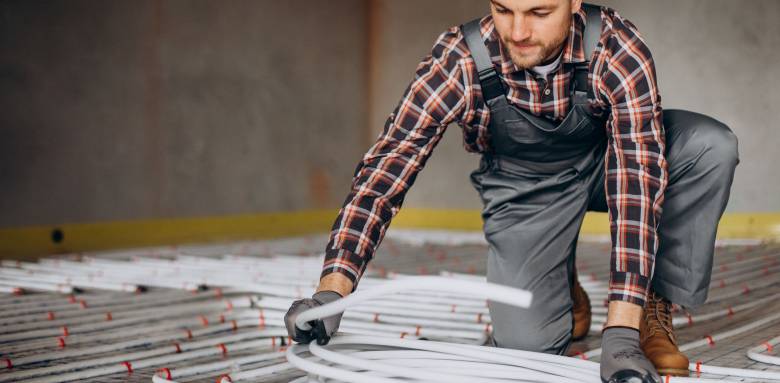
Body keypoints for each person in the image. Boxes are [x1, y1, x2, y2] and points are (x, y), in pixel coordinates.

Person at [285, 1, 739, 382]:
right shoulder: (460, 58)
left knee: (709, 146)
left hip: (610, 163)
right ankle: (559, 281)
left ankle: (653, 305)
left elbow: (636, 180)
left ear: (574, 3)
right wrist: (333, 291)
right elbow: (388, 167)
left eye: (539, 12)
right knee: (525, 349)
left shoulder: (616, 47)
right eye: (504, 10)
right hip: (525, 189)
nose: (518, 32)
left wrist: (621, 329)